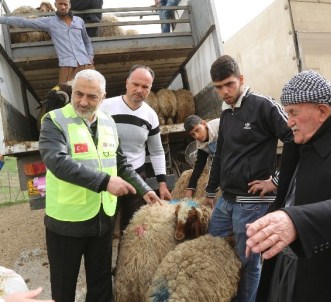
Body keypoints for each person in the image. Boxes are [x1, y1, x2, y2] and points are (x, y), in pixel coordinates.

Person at [245, 70, 331, 302]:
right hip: (285, 263)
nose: (288, 121)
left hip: (326, 275)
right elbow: (288, 195)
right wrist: (272, 222)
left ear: (321, 111)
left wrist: (296, 222)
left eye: (293, 113)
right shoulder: (300, 141)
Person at [39, 69, 161, 302]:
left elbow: (120, 163)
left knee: (101, 285)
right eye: (78, 94)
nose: (83, 102)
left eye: (92, 97)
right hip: (67, 223)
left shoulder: (107, 122)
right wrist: (105, 182)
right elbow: (57, 162)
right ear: (72, 92)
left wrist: (145, 190)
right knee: (64, 289)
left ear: (103, 98)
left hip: (102, 220)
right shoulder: (53, 121)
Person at [205, 55, 293, 302]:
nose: (224, 92)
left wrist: (275, 180)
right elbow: (220, 154)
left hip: (252, 202)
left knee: (248, 261)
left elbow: (293, 138)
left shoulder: (263, 105)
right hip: (226, 201)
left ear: (241, 79)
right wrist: (211, 192)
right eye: (219, 88)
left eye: (229, 84)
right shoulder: (226, 114)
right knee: (216, 250)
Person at [100, 64, 172, 235]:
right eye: (135, 84)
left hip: (136, 177)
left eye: (145, 86)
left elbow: (156, 151)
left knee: (132, 226)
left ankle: (125, 261)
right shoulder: (105, 107)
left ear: (150, 89)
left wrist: (162, 183)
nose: (139, 89)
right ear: (127, 83)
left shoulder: (150, 116)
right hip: (107, 174)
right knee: (104, 227)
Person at [0, 0, 94, 85]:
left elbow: (86, 40)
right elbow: (23, 22)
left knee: (95, 91)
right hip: (67, 66)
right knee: (65, 97)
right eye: (60, 4)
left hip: (85, 64)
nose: (63, 7)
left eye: (65, 4)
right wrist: (2, 19)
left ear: (69, 5)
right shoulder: (50, 22)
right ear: (55, 5)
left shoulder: (79, 21)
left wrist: (90, 56)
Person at [183, 114, 219, 198]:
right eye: (192, 134)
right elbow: (200, 164)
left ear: (203, 123)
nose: (197, 136)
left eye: (197, 130)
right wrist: (190, 188)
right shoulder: (200, 144)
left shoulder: (220, 126)